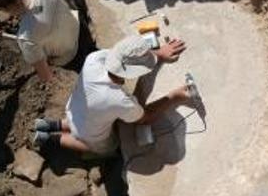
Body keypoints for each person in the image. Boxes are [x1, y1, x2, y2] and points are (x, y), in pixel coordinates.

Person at [32, 35, 189, 154]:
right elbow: (144, 118)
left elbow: (123, 57)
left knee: (79, 121)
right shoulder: (119, 100)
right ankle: (49, 139)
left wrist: (158, 54)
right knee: (106, 148)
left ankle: (48, 125)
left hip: (74, 110)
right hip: (90, 134)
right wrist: (176, 96)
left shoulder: (94, 59)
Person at [0, 0, 80, 82]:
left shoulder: (26, 37)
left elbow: (47, 76)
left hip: (68, 55)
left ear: (2, 9)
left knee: (37, 55)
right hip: (76, 26)